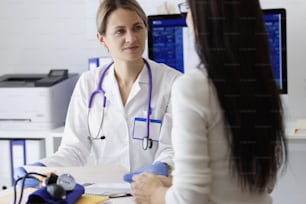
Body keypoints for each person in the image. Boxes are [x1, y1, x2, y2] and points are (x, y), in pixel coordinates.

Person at [131, 0, 288, 204]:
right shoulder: (263, 86)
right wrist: (176, 184)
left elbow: (188, 200)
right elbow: (258, 184)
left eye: (189, 9)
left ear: (207, 18)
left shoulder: (192, 87)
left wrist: (153, 193)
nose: (187, 18)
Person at [14, 0, 181, 188]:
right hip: (105, 194)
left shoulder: (172, 82)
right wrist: (40, 168)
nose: (131, 38)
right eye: (120, 31)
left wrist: (161, 166)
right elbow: (73, 150)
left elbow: (174, 147)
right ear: (102, 39)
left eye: (137, 28)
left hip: (155, 190)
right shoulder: (88, 84)